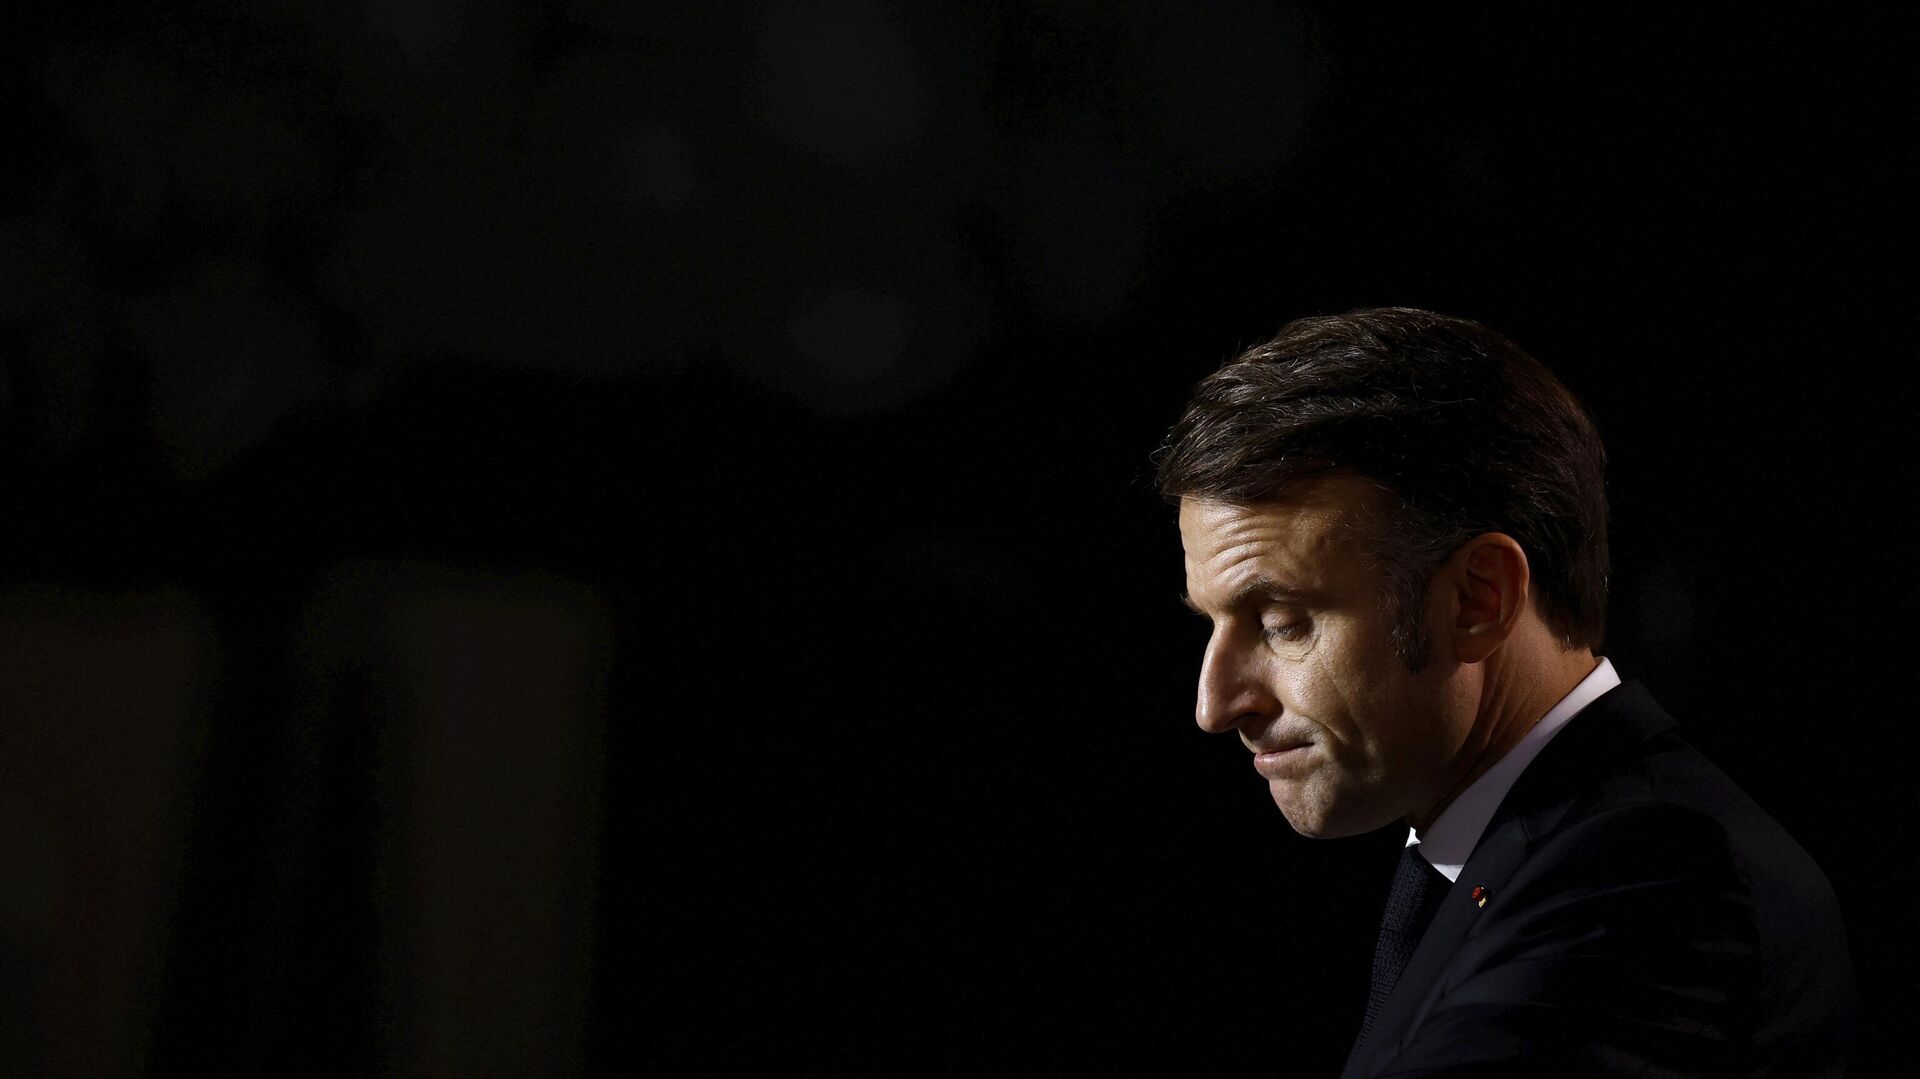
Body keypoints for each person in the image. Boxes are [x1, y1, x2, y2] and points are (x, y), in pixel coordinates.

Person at [1154, 308, 1854, 1077]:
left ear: (1478, 599)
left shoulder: (1654, 874)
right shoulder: (1520, 851)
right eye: (1212, 623)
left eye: (1282, 622)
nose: (1215, 705)